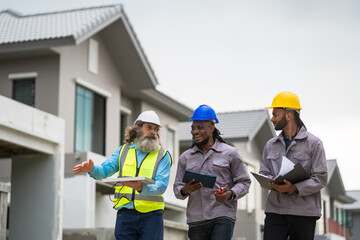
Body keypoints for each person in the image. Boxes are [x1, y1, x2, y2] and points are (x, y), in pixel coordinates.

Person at [72, 110, 172, 240]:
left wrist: (141, 188)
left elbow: (161, 185)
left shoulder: (163, 155)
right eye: (149, 127)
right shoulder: (123, 150)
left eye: (156, 129)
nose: (153, 132)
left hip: (151, 217)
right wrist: (92, 169)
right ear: (138, 128)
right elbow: (104, 171)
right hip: (125, 215)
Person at [173, 104, 251, 240]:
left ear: (212, 127)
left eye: (200, 127)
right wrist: (185, 189)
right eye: (193, 128)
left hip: (222, 215)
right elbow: (177, 189)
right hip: (196, 219)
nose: (195, 131)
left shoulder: (230, 153)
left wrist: (229, 194)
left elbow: (244, 182)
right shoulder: (185, 157)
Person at [260, 91, 328, 240]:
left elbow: (321, 178)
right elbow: (264, 172)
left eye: (275, 114)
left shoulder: (314, 143)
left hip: (304, 212)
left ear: (289, 115)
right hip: (275, 211)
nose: (272, 119)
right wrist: (272, 181)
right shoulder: (270, 145)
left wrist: (293, 187)